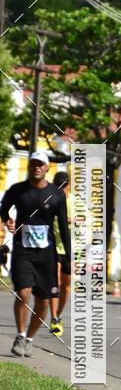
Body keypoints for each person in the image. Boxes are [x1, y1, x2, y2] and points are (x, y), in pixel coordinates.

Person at [0, 150, 70, 357]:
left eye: (40, 164)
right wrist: (7, 220)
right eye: (33, 164)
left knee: (44, 301)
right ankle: (20, 335)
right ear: (29, 167)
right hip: (23, 251)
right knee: (23, 293)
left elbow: (64, 227)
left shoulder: (56, 195)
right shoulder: (18, 190)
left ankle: (29, 338)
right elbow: (3, 208)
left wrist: (68, 257)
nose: (36, 167)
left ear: (47, 168)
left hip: (47, 254)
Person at [49, 171, 72, 337]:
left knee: (66, 286)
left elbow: (90, 221)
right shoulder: (50, 200)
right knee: (55, 283)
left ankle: (59, 314)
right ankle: (54, 318)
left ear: (69, 186)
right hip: (53, 247)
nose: (61, 189)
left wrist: (72, 220)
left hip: (70, 249)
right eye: (58, 186)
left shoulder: (75, 203)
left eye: (63, 186)